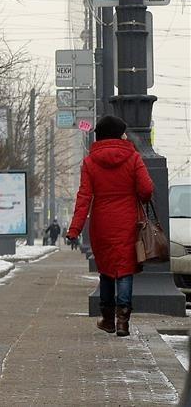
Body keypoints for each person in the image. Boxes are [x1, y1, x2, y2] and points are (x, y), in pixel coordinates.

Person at [66, 115, 154, 337]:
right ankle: (123, 321)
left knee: (106, 270)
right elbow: (146, 190)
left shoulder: (89, 162)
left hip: (102, 223)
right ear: (116, 134)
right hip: (128, 221)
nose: (126, 135)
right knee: (124, 269)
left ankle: (107, 319)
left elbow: (84, 197)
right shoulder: (133, 158)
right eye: (122, 132)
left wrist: (74, 229)